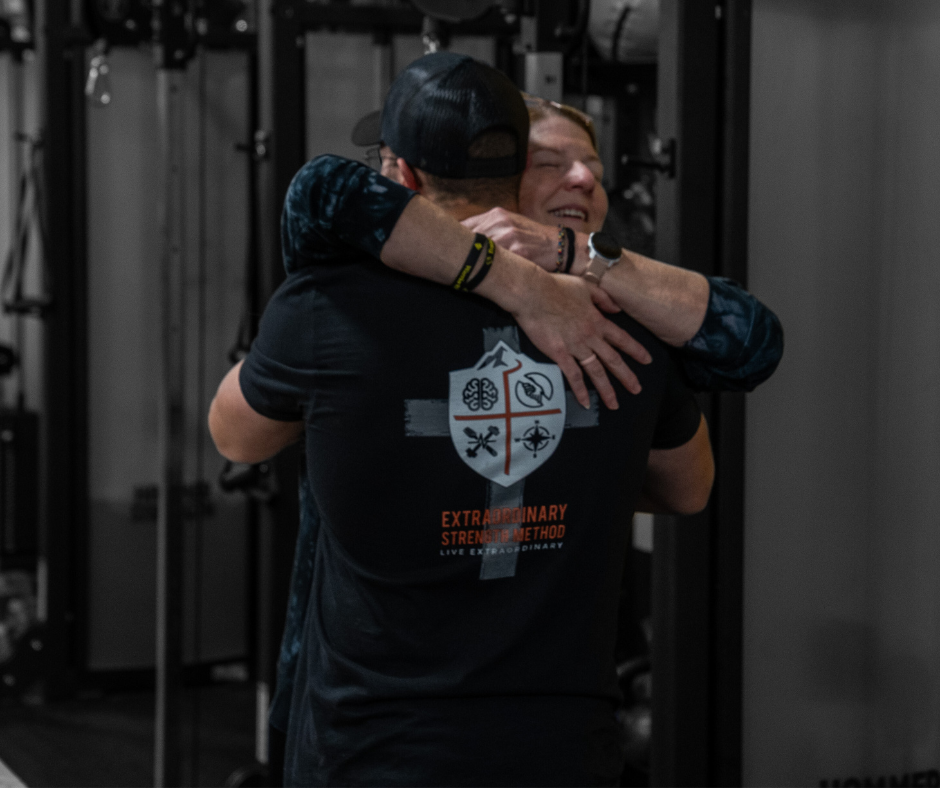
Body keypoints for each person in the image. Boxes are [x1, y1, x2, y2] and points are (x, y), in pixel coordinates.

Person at [210, 52, 712, 786]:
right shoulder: (619, 318)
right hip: (563, 752)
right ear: (521, 177)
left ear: (400, 176)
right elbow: (688, 487)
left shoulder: (328, 307)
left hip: (373, 752)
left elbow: (236, 436)